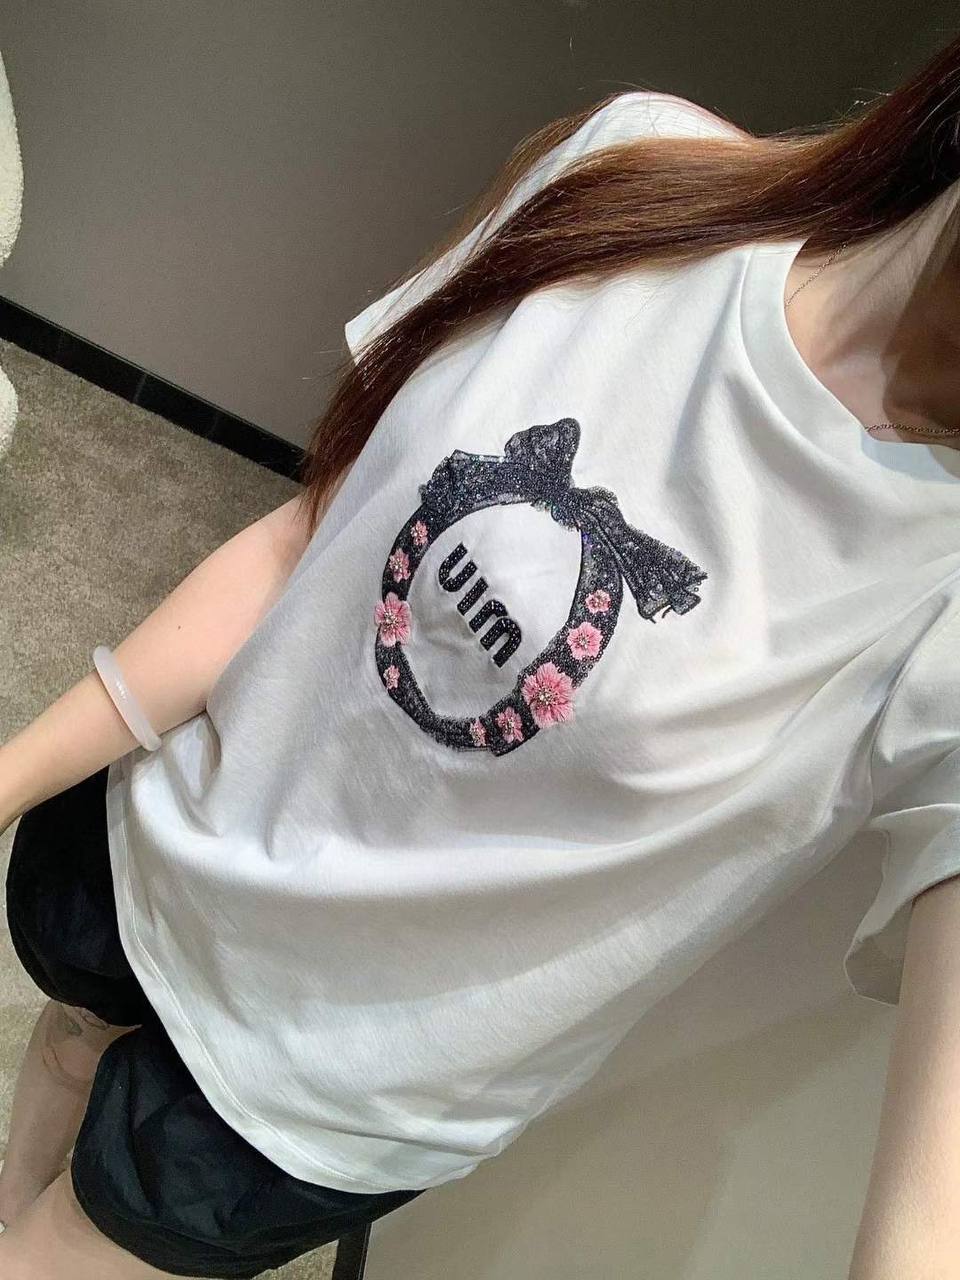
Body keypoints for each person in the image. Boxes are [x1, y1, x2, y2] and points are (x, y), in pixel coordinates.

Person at [2, 30, 960, 1279]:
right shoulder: (639, 174)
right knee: (71, 1043)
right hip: (169, 836)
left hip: (319, 1084)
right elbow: (310, 542)